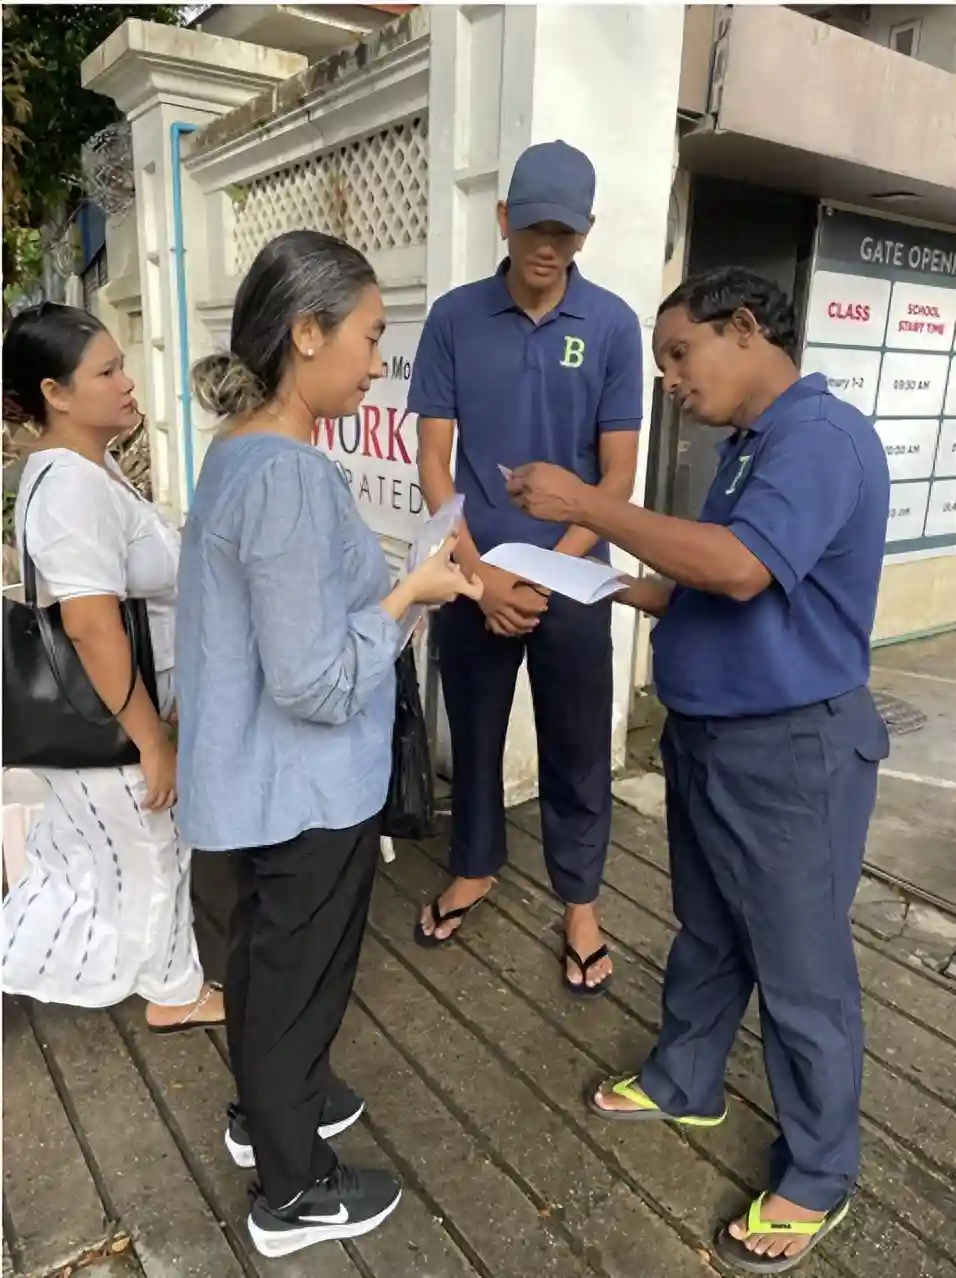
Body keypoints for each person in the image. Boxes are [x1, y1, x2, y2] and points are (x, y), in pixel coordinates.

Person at [507, 266, 891, 1272]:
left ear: (745, 328)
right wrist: (612, 586)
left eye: (680, 354)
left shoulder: (819, 437)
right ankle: (686, 1079)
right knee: (709, 927)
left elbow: (737, 567)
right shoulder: (749, 448)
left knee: (800, 969)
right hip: (713, 736)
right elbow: (715, 583)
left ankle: (819, 1171)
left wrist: (589, 503)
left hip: (789, 751)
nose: (670, 380)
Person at [176, 230, 483, 1260]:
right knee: (295, 982)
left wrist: (397, 589)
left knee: (267, 966)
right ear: (305, 333)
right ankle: (293, 1189)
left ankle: (272, 1108)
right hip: (303, 787)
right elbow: (313, 683)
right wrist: (408, 595)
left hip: (258, 777)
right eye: (369, 336)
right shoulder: (288, 475)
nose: (375, 362)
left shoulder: (239, 449)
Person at [409, 140, 642, 995]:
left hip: (572, 576)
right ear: (504, 219)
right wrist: (479, 574)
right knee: (472, 733)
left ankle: (580, 901)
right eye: (535, 226)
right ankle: (473, 865)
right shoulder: (454, 317)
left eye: (566, 232)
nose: (548, 246)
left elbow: (617, 476)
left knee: (578, 744)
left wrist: (544, 574)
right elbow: (435, 462)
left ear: (586, 232)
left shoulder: (612, 324)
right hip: (474, 570)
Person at [2, 303, 223, 1032]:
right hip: (109, 720)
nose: (128, 383)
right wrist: (150, 738)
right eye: (107, 372)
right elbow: (91, 624)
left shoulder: (88, 470)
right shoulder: (71, 486)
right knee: (147, 855)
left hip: (122, 708)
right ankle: (177, 994)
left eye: (123, 366)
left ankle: (166, 983)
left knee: (89, 860)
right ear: (56, 393)